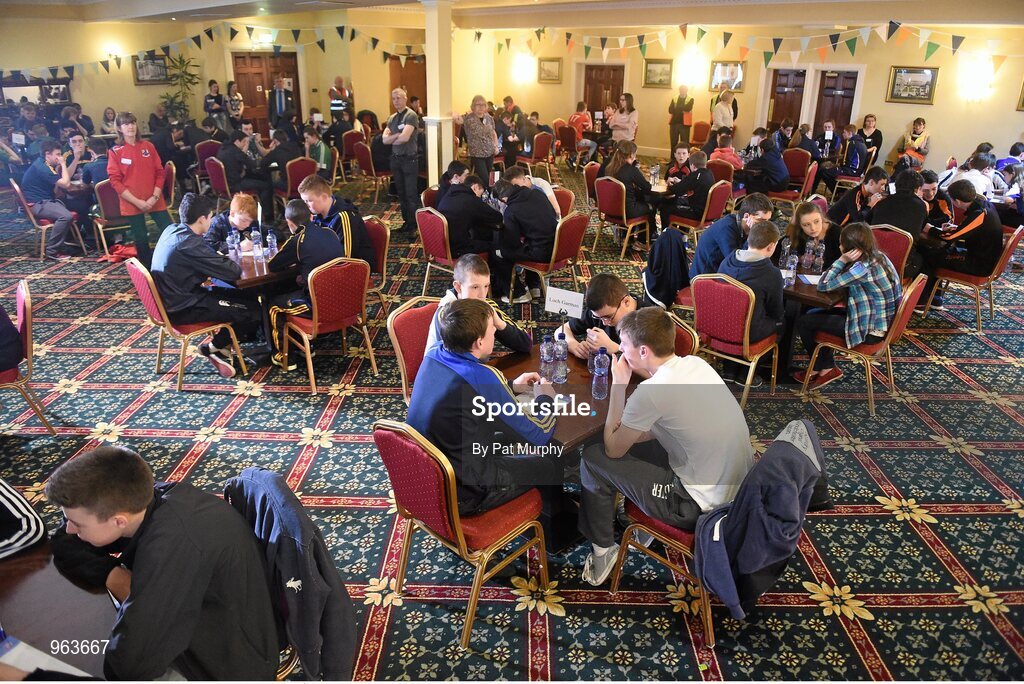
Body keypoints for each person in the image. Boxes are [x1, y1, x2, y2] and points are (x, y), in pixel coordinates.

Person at [44, 445, 278, 680]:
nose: (69, 528)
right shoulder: (154, 499)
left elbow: (129, 666)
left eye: (77, 524)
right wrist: (114, 575)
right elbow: (63, 542)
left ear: (118, 521)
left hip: (230, 663)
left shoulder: (169, 551)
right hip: (227, 620)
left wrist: (131, 590)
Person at [578, 306, 753, 585]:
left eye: (623, 345)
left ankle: (603, 550)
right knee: (646, 438)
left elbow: (613, 449)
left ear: (644, 351)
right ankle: (643, 517)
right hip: (740, 489)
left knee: (593, 458)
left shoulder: (651, 392)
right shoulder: (696, 364)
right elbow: (663, 420)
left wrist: (619, 385)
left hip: (697, 506)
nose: (620, 351)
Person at [406, 297, 564, 519]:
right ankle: (552, 530)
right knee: (546, 465)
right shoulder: (482, 377)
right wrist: (546, 400)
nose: (494, 335)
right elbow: (539, 434)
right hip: (463, 493)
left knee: (506, 439)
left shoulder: (433, 353)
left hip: (429, 475)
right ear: (479, 342)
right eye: (492, 330)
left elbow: (471, 393)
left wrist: (511, 387)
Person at [150, 192, 260, 377]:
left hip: (173, 299)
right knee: (252, 309)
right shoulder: (189, 244)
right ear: (202, 219)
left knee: (242, 296)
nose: (211, 221)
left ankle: (222, 348)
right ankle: (213, 348)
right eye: (210, 217)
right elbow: (232, 271)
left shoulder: (172, 230)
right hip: (185, 307)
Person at [795, 222, 901, 388]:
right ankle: (825, 367)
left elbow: (823, 284)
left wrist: (842, 259)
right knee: (814, 313)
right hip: (883, 323)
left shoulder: (862, 269)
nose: (839, 245)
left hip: (870, 330)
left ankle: (823, 366)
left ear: (850, 248)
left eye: (841, 243)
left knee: (804, 322)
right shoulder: (879, 256)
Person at [267, 199, 346, 368]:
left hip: (318, 306)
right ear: (311, 217)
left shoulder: (297, 241)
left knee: (273, 305)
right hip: (345, 300)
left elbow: (273, 265)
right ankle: (305, 346)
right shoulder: (329, 232)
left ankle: (285, 357)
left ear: (289, 223)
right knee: (294, 289)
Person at [717, 220, 785, 384]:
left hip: (718, 326)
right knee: (782, 323)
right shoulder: (771, 273)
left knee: (738, 315)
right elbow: (776, 311)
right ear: (771, 246)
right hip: (748, 333)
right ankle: (748, 370)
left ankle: (730, 368)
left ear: (749, 239)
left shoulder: (727, 260)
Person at [921, 180, 1004, 311]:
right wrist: (956, 228)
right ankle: (934, 299)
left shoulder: (980, 213)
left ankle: (924, 301)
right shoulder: (984, 204)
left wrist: (929, 228)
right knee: (938, 252)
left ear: (957, 202)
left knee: (930, 256)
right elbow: (970, 229)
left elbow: (950, 238)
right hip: (983, 256)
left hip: (979, 264)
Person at [425, 254, 531, 353]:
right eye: (475, 287)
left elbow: (526, 344)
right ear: (458, 287)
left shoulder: (486, 306)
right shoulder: (446, 316)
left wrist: (499, 323)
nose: (482, 295)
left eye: (486, 286)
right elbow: (453, 362)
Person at [106, 112, 172, 266]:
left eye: (133, 123)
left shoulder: (148, 146)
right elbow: (115, 182)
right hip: (131, 201)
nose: (130, 126)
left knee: (169, 230)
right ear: (119, 128)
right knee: (141, 237)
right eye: (126, 124)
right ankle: (147, 269)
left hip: (154, 197)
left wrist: (154, 196)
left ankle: (172, 262)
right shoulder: (115, 151)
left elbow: (160, 172)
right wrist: (137, 202)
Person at [491, 175, 557, 303]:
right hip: (558, 246)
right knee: (529, 241)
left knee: (499, 254)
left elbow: (512, 243)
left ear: (503, 199)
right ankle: (534, 286)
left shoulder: (512, 210)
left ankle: (518, 294)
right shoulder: (537, 193)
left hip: (542, 253)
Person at [19, 141, 83, 260]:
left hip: (44, 200)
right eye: (58, 154)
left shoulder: (44, 164)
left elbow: (55, 189)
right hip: (37, 204)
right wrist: (63, 165)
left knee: (79, 205)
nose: (60, 157)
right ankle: (52, 251)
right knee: (66, 216)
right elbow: (66, 184)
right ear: (47, 154)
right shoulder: (43, 168)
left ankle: (73, 239)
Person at [559, 272, 647, 358]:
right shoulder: (600, 312)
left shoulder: (652, 321)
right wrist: (574, 346)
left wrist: (612, 348)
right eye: (598, 317)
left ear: (626, 302)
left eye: (609, 317)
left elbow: (655, 370)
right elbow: (562, 329)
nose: (604, 323)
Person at [298, 173, 375, 270]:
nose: (306, 205)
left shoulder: (344, 218)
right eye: (304, 201)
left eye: (309, 201)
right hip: (331, 263)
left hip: (355, 269)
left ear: (324, 197)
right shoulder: (318, 215)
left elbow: (347, 258)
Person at [690, 193, 774, 278]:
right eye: (761, 220)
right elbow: (737, 263)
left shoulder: (743, 226)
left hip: (722, 273)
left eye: (767, 221)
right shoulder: (726, 228)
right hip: (705, 280)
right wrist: (752, 235)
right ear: (746, 216)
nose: (765, 225)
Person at [868, 169, 928, 277]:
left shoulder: (882, 202)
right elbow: (920, 230)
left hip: (871, 261)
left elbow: (868, 224)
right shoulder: (921, 206)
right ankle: (908, 291)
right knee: (923, 257)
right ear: (917, 188)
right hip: (900, 267)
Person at [382, 87, 420, 234]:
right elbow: (385, 140)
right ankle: (407, 223)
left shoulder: (411, 115)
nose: (396, 101)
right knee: (401, 194)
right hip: (396, 160)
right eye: (394, 98)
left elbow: (404, 138)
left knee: (411, 195)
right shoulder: (391, 118)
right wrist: (396, 137)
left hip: (409, 160)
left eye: (399, 98)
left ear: (405, 98)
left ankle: (414, 226)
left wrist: (393, 138)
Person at [604, 140, 655, 247]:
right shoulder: (631, 170)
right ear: (632, 154)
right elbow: (647, 187)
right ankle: (642, 241)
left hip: (609, 209)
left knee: (636, 201)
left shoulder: (609, 168)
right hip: (626, 212)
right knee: (651, 207)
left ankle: (627, 238)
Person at [438, 174, 501, 257]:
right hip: (456, 249)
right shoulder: (472, 200)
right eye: (480, 194)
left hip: (440, 243)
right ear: (475, 187)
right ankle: (487, 268)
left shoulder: (450, 192)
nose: (480, 198)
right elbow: (497, 217)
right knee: (495, 246)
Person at [454, 95, 499, 188]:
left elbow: (493, 133)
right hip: (477, 153)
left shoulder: (489, 118)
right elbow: (455, 118)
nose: (481, 107)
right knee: (486, 179)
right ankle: (492, 195)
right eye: (478, 105)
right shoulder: (468, 118)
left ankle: (486, 196)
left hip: (490, 152)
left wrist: (496, 146)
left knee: (490, 178)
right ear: (473, 106)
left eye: (483, 105)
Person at [660, 150, 714, 228]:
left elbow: (677, 190)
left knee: (665, 208)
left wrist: (671, 183)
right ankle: (682, 235)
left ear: (692, 165)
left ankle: (667, 236)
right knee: (680, 202)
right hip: (708, 212)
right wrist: (681, 182)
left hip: (697, 214)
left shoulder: (695, 176)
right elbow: (688, 185)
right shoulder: (709, 173)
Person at [786, 200, 842, 269]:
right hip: (805, 275)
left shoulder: (837, 232)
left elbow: (845, 261)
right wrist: (800, 258)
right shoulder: (799, 230)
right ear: (800, 225)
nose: (813, 228)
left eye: (816, 221)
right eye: (806, 224)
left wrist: (823, 262)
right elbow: (778, 250)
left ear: (822, 218)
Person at [817, 124, 868, 192]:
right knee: (829, 168)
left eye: (844, 132)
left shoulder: (852, 143)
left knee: (824, 171)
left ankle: (840, 193)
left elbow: (848, 161)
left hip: (852, 171)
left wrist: (838, 166)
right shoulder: (861, 143)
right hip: (858, 171)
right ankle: (841, 191)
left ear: (850, 133)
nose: (843, 134)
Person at [567, 101, 598, 168]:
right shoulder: (583, 117)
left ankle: (573, 158)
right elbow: (590, 128)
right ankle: (584, 161)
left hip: (569, 142)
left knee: (586, 140)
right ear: (585, 109)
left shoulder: (572, 116)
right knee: (594, 144)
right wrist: (589, 116)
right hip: (578, 142)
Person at [268, 73, 297, 141]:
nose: (279, 83)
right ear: (275, 83)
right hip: (276, 120)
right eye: (277, 81)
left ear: (283, 82)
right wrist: (269, 121)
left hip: (287, 119)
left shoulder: (289, 93)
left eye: (280, 81)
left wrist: (294, 116)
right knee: (278, 139)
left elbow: (294, 107)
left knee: (289, 138)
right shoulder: (271, 94)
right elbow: (270, 108)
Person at [668, 85, 694, 151]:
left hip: (685, 124)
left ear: (687, 90)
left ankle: (685, 160)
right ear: (679, 90)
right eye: (681, 89)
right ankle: (673, 160)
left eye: (684, 89)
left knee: (684, 144)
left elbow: (688, 108)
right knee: (673, 143)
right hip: (674, 123)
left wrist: (677, 108)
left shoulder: (690, 99)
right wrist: (682, 108)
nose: (682, 91)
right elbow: (670, 110)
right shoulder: (675, 98)